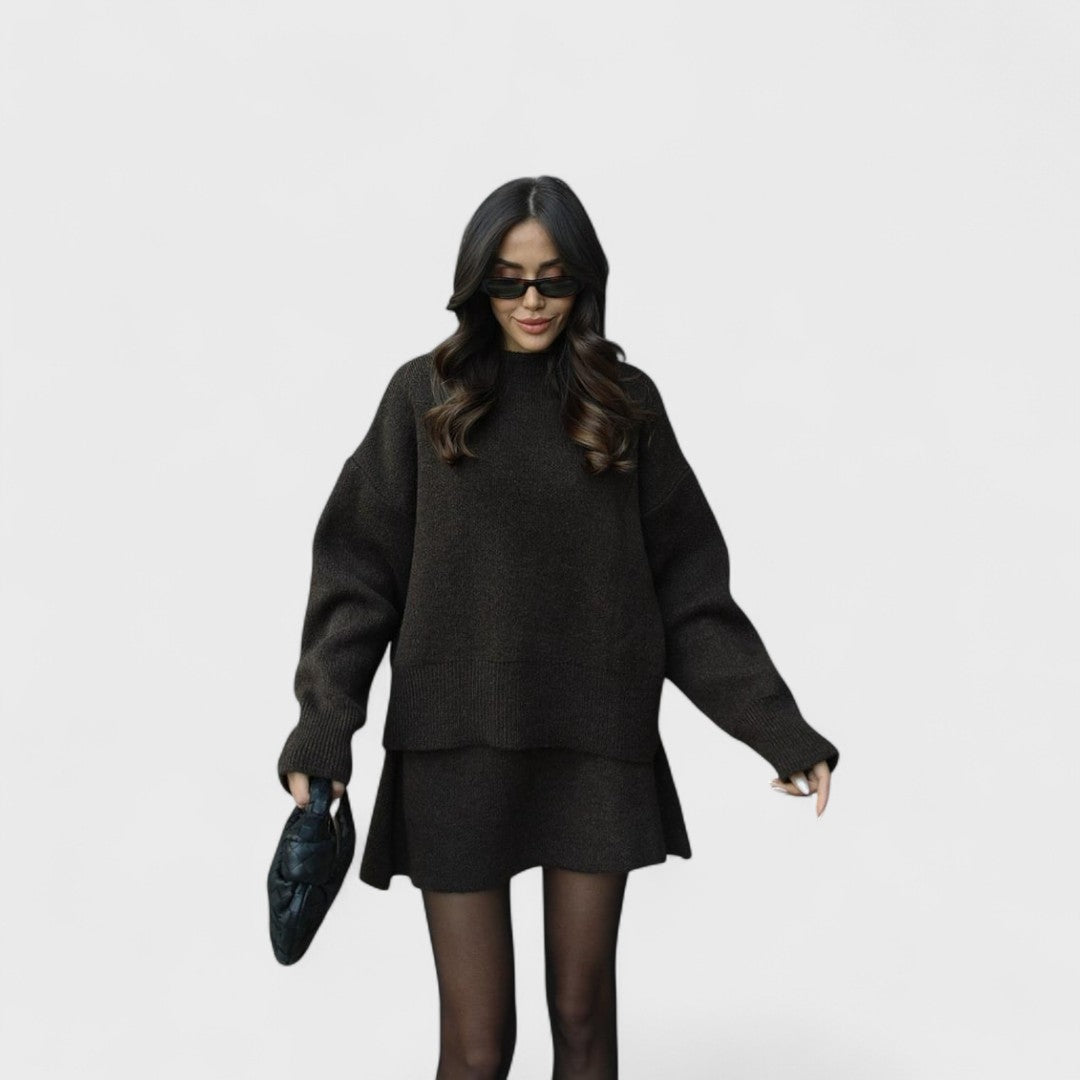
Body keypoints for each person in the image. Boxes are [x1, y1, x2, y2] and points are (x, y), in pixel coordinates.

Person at [275, 175, 840, 1078]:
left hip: (594, 746)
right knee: (477, 1047)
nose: (532, 300)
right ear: (476, 283)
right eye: (508, 280)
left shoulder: (625, 403)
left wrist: (780, 730)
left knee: (582, 1022)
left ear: (585, 282)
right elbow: (356, 575)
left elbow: (690, 592)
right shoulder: (423, 396)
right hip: (454, 747)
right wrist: (323, 728)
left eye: (553, 279)